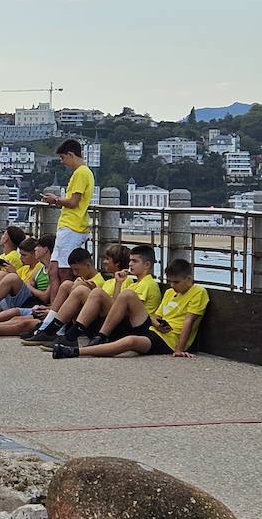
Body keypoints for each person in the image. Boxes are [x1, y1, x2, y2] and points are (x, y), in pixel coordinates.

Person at [53, 259, 208, 359]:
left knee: (131, 341)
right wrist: (155, 321)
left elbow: (189, 321)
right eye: (170, 282)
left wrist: (179, 349)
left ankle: (74, 352)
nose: (172, 286)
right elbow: (157, 315)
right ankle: (100, 337)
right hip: (154, 328)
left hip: (169, 340)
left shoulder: (198, 292)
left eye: (176, 282)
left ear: (189, 279)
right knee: (127, 294)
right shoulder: (169, 292)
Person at [42, 139, 93, 284]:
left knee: (64, 271)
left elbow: (73, 202)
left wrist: (56, 200)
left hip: (73, 226)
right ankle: (55, 298)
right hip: (67, 225)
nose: (62, 161)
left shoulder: (81, 173)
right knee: (53, 270)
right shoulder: (81, 172)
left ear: (71, 154)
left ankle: (65, 298)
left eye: (63, 157)